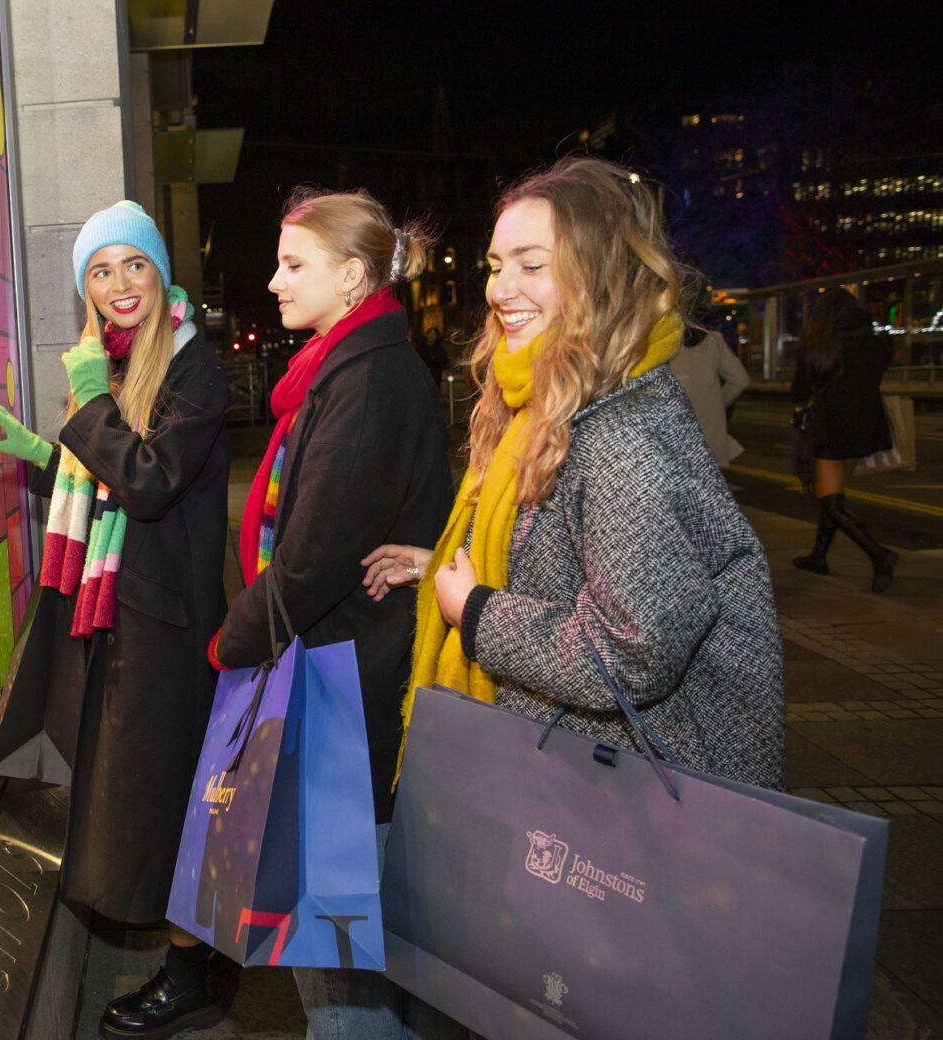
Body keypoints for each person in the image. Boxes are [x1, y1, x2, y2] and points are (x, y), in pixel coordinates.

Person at [365, 155, 785, 791]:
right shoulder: (553, 402)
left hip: (623, 808)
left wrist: (476, 612)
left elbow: (633, 653)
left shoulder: (623, 435)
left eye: (532, 265)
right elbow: (568, 563)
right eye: (497, 266)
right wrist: (446, 565)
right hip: (574, 778)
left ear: (603, 276)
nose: (501, 289)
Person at [209, 187, 459, 1040]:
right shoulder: (351, 368)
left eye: (293, 264)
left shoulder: (364, 381)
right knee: (373, 953)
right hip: (356, 681)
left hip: (345, 692)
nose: (273, 282)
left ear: (353, 278)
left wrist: (229, 644)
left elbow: (310, 561)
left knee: (336, 955)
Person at [0, 201, 231, 1040]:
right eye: (100, 271)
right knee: (147, 800)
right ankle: (192, 960)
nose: (120, 286)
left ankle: (192, 975)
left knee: (165, 805)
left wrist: (85, 404)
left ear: (160, 272)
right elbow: (110, 473)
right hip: (123, 617)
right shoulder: (116, 367)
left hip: (168, 629)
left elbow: (149, 480)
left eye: (134, 266)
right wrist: (44, 453)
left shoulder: (193, 365)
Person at [789, 288, 898, 592]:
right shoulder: (876, 342)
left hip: (831, 427)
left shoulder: (820, 344)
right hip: (866, 426)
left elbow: (799, 389)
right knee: (834, 497)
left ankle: (879, 554)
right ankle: (818, 556)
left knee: (831, 501)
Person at [669, 324, 749, 466]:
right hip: (711, 440)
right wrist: (716, 404)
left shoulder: (658, 342)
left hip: (673, 441)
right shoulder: (714, 339)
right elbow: (740, 380)